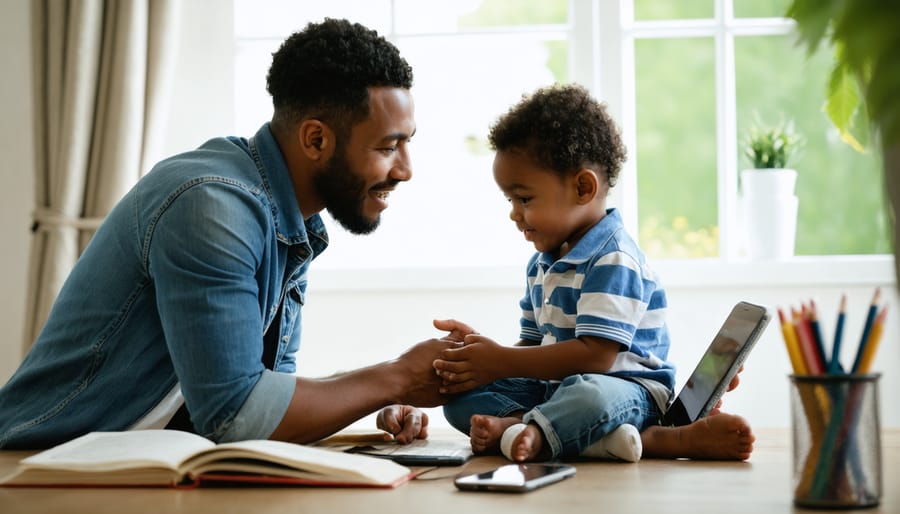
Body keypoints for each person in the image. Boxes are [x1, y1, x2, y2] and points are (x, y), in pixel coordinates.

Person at [0, 18, 462, 450]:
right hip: (38, 462)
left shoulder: (290, 223)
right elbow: (236, 417)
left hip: (131, 468)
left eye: (407, 142)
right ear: (316, 139)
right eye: (387, 146)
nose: (405, 170)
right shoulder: (212, 208)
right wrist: (394, 379)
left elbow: (265, 401)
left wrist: (374, 396)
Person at [433, 84, 754, 463]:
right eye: (509, 200)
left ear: (583, 188)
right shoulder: (542, 263)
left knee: (591, 396)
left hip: (628, 391)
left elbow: (596, 357)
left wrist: (501, 359)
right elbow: (534, 349)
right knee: (460, 399)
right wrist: (484, 357)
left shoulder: (614, 258)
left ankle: (650, 439)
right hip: (560, 391)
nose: (514, 213)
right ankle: (571, 435)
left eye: (524, 199)